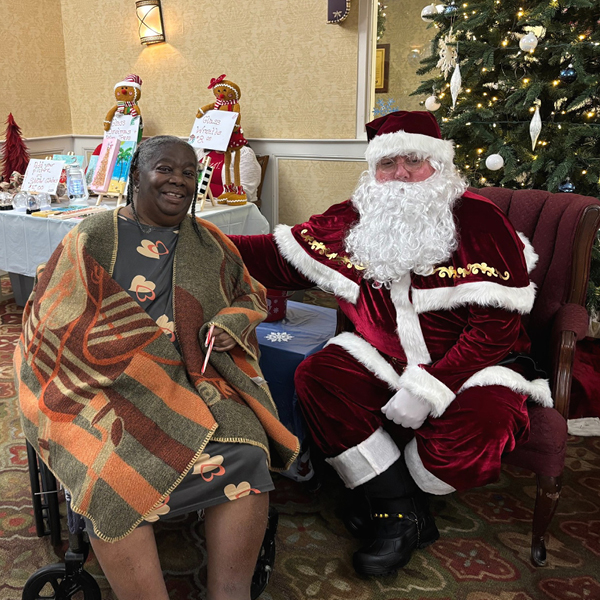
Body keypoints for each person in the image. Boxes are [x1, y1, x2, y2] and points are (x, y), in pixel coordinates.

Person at [229, 111, 552, 577]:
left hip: (475, 366)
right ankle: (400, 514)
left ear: (438, 164)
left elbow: (495, 329)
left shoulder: (481, 221)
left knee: (477, 433)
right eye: (387, 163)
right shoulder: (353, 217)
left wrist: (430, 387)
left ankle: (399, 494)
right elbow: (278, 257)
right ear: (373, 170)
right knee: (318, 377)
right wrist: (195, 236)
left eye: (413, 160)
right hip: (382, 358)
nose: (400, 173)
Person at [14, 135, 299, 600]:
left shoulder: (210, 242)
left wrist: (231, 322)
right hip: (101, 383)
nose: (178, 180)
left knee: (246, 448)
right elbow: (49, 314)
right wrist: (129, 355)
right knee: (112, 478)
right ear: (136, 177)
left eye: (189, 173)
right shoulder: (93, 236)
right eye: (165, 169)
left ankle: (230, 592)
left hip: (195, 377)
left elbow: (250, 294)